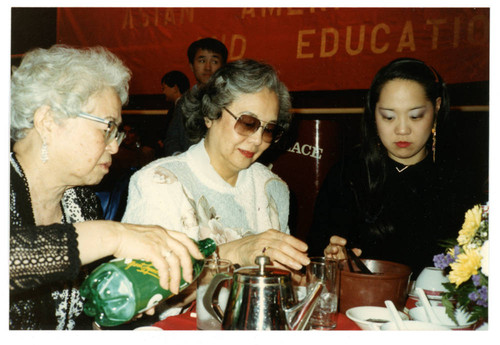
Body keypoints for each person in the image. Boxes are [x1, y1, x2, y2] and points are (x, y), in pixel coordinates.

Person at [9, 45, 203, 330]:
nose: (115, 145)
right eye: (107, 127)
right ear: (47, 121)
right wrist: (114, 235)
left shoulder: (80, 201)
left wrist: (124, 305)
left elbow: (83, 318)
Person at [123, 58, 310, 277]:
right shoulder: (160, 181)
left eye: (269, 129)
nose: (258, 140)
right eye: (248, 123)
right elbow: (143, 286)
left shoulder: (273, 188)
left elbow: (282, 282)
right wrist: (235, 252)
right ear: (211, 114)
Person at [307, 58, 486, 277]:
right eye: (389, 116)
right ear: (374, 112)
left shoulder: (460, 180)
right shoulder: (347, 174)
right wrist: (331, 259)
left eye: (415, 116)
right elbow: (316, 254)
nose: (402, 130)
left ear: (437, 107)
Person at [163, 38, 228, 156]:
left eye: (214, 61)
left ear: (223, 67)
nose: (208, 67)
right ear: (192, 66)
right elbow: (171, 139)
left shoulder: (232, 100)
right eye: (202, 61)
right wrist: (179, 157)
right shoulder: (183, 101)